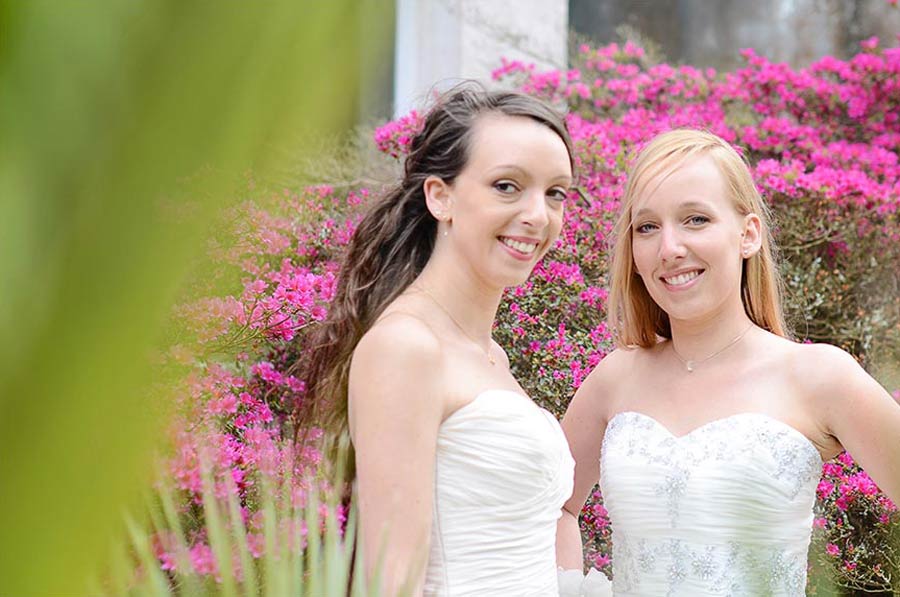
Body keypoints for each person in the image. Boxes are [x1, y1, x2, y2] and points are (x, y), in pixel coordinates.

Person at [556, 128, 900, 595]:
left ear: (748, 234)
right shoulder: (616, 377)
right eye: (647, 226)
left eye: (695, 219)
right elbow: (552, 506)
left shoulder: (819, 376)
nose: (669, 248)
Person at [300, 86, 577, 596]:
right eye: (507, 186)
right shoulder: (405, 347)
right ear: (440, 196)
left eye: (555, 193)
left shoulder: (490, 356)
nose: (539, 215)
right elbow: (392, 580)